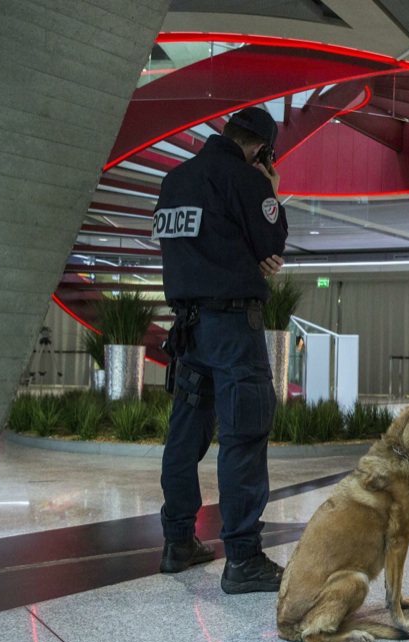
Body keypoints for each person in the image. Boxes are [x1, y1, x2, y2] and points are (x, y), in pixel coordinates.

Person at [154, 106, 289, 594]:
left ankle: (177, 541)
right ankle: (243, 557)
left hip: (187, 331)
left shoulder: (175, 182)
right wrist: (268, 186)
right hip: (233, 329)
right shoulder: (247, 179)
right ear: (261, 150)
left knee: (185, 435)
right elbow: (272, 240)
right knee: (243, 435)